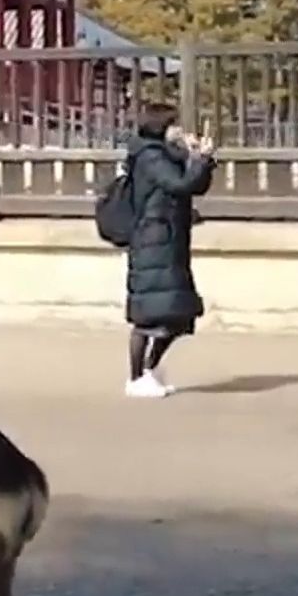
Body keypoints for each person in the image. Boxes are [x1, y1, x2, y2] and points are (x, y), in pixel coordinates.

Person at [118, 105, 215, 397]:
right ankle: (136, 377)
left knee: (178, 311)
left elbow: (194, 186)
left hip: (168, 240)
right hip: (152, 240)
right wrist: (199, 159)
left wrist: (200, 158)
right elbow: (180, 184)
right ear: (161, 126)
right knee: (148, 314)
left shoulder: (167, 154)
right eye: (173, 125)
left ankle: (149, 368)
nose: (179, 130)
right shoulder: (150, 157)